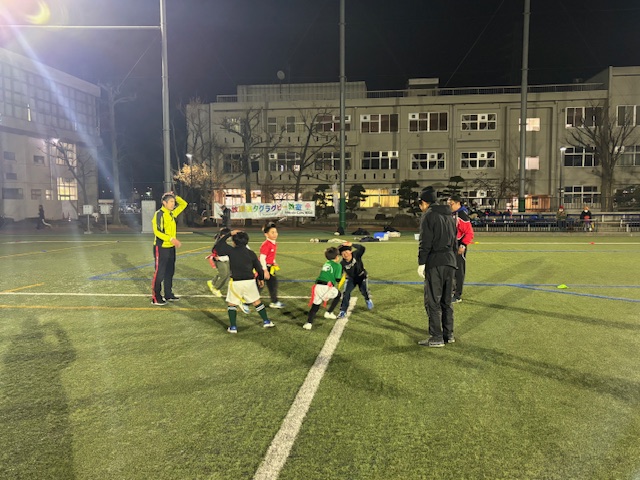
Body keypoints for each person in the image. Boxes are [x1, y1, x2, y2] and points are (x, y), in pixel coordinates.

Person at [417, 187, 457, 347]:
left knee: (433, 301)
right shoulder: (449, 215)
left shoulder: (429, 215)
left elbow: (425, 241)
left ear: (424, 202)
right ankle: (448, 334)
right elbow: (454, 239)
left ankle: (436, 337)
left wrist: (422, 262)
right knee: (446, 301)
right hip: (450, 261)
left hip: (435, 261)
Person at [214, 229, 275, 333]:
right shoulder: (251, 253)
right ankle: (266, 321)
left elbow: (218, 246)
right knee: (257, 302)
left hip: (236, 282)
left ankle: (233, 327)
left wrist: (229, 234)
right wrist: (261, 279)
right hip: (250, 282)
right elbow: (259, 268)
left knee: (232, 304)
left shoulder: (231, 251)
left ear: (234, 241)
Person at [151, 192, 187, 305]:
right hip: (161, 247)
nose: (173, 204)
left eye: (173, 202)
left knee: (170, 272)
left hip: (171, 248)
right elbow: (157, 232)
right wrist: (171, 239)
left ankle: (168, 294)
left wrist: (175, 196)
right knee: (159, 273)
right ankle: (156, 297)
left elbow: (184, 204)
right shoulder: (159, 214)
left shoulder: (171, 213)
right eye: (171, 202)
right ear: (164, 203)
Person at [328, 242, 373, 319]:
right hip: (351, 279)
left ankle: (367, 299)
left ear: (350, 251)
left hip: (361, 276)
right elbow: (339, 274)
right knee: (346, 293)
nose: (345, 254)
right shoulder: (342, 263)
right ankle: (343, 311)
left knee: (364, 291)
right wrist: (331, 282)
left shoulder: (356, 255)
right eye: (343, 253)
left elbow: (362, 248)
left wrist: (351, 244)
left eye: (346, 252)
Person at [303, 247, 343, 330]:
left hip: (317, 286)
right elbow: (337, 279)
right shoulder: (338, 265)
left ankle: (309, 323)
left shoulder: (326, 263)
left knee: (315, 305)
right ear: (337, 257)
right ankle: (329, 312)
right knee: (338, 295)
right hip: (326, 287)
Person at [448, 194, 474, 303]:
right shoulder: (454, 214)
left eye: (451, 204)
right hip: (452, 245)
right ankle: (452, 291)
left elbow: (469, 233)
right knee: (451, 269)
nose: (449, 206)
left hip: (459, 246)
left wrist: (463, 245)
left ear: (458, 203)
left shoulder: (462, 215)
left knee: (458, 271)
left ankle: (457, 295)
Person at [260, 222, 285, 309]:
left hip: (270, 268)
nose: (275, 234)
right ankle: (246, 303)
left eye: (276, 232)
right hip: (264, 268)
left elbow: (271, 256)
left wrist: (274, 262)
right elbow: (262, 258)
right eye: (272, 232)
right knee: (259, 286)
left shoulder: (273, 243)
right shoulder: (266, 244)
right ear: (266, 234)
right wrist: (265, 270)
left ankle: (274, 302)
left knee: (273, 284)